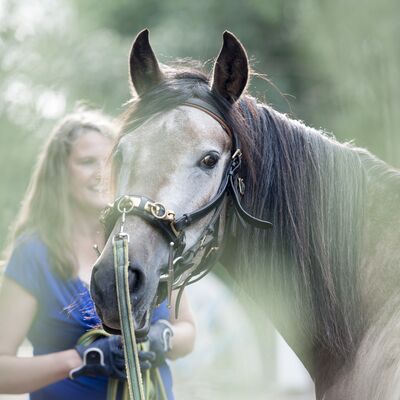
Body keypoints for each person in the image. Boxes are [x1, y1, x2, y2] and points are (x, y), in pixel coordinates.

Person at [0, 108, 196, 400]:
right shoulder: (34, 254)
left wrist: (162, 337)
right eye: (86, 162)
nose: (101, 172)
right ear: (60, 175)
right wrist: (81, 359)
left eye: (109, 161)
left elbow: (187, 331)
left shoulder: (153, 242)